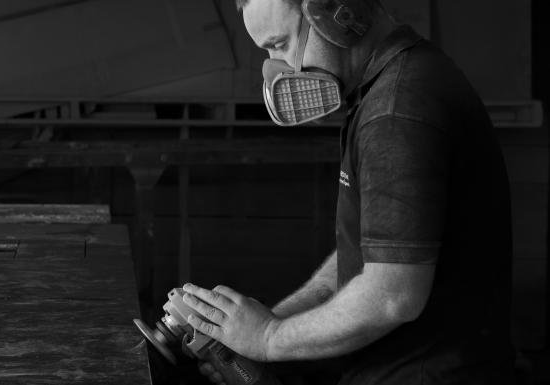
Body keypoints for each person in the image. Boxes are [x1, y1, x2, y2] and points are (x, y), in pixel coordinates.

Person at [181, 0, 516, 383]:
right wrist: (270, 325)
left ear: (336, 14)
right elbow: (368, 252)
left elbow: (392, 295)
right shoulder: (393, 83)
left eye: (279, 44)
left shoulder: (396, 110)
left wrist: (270, 339)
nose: (276, 68)